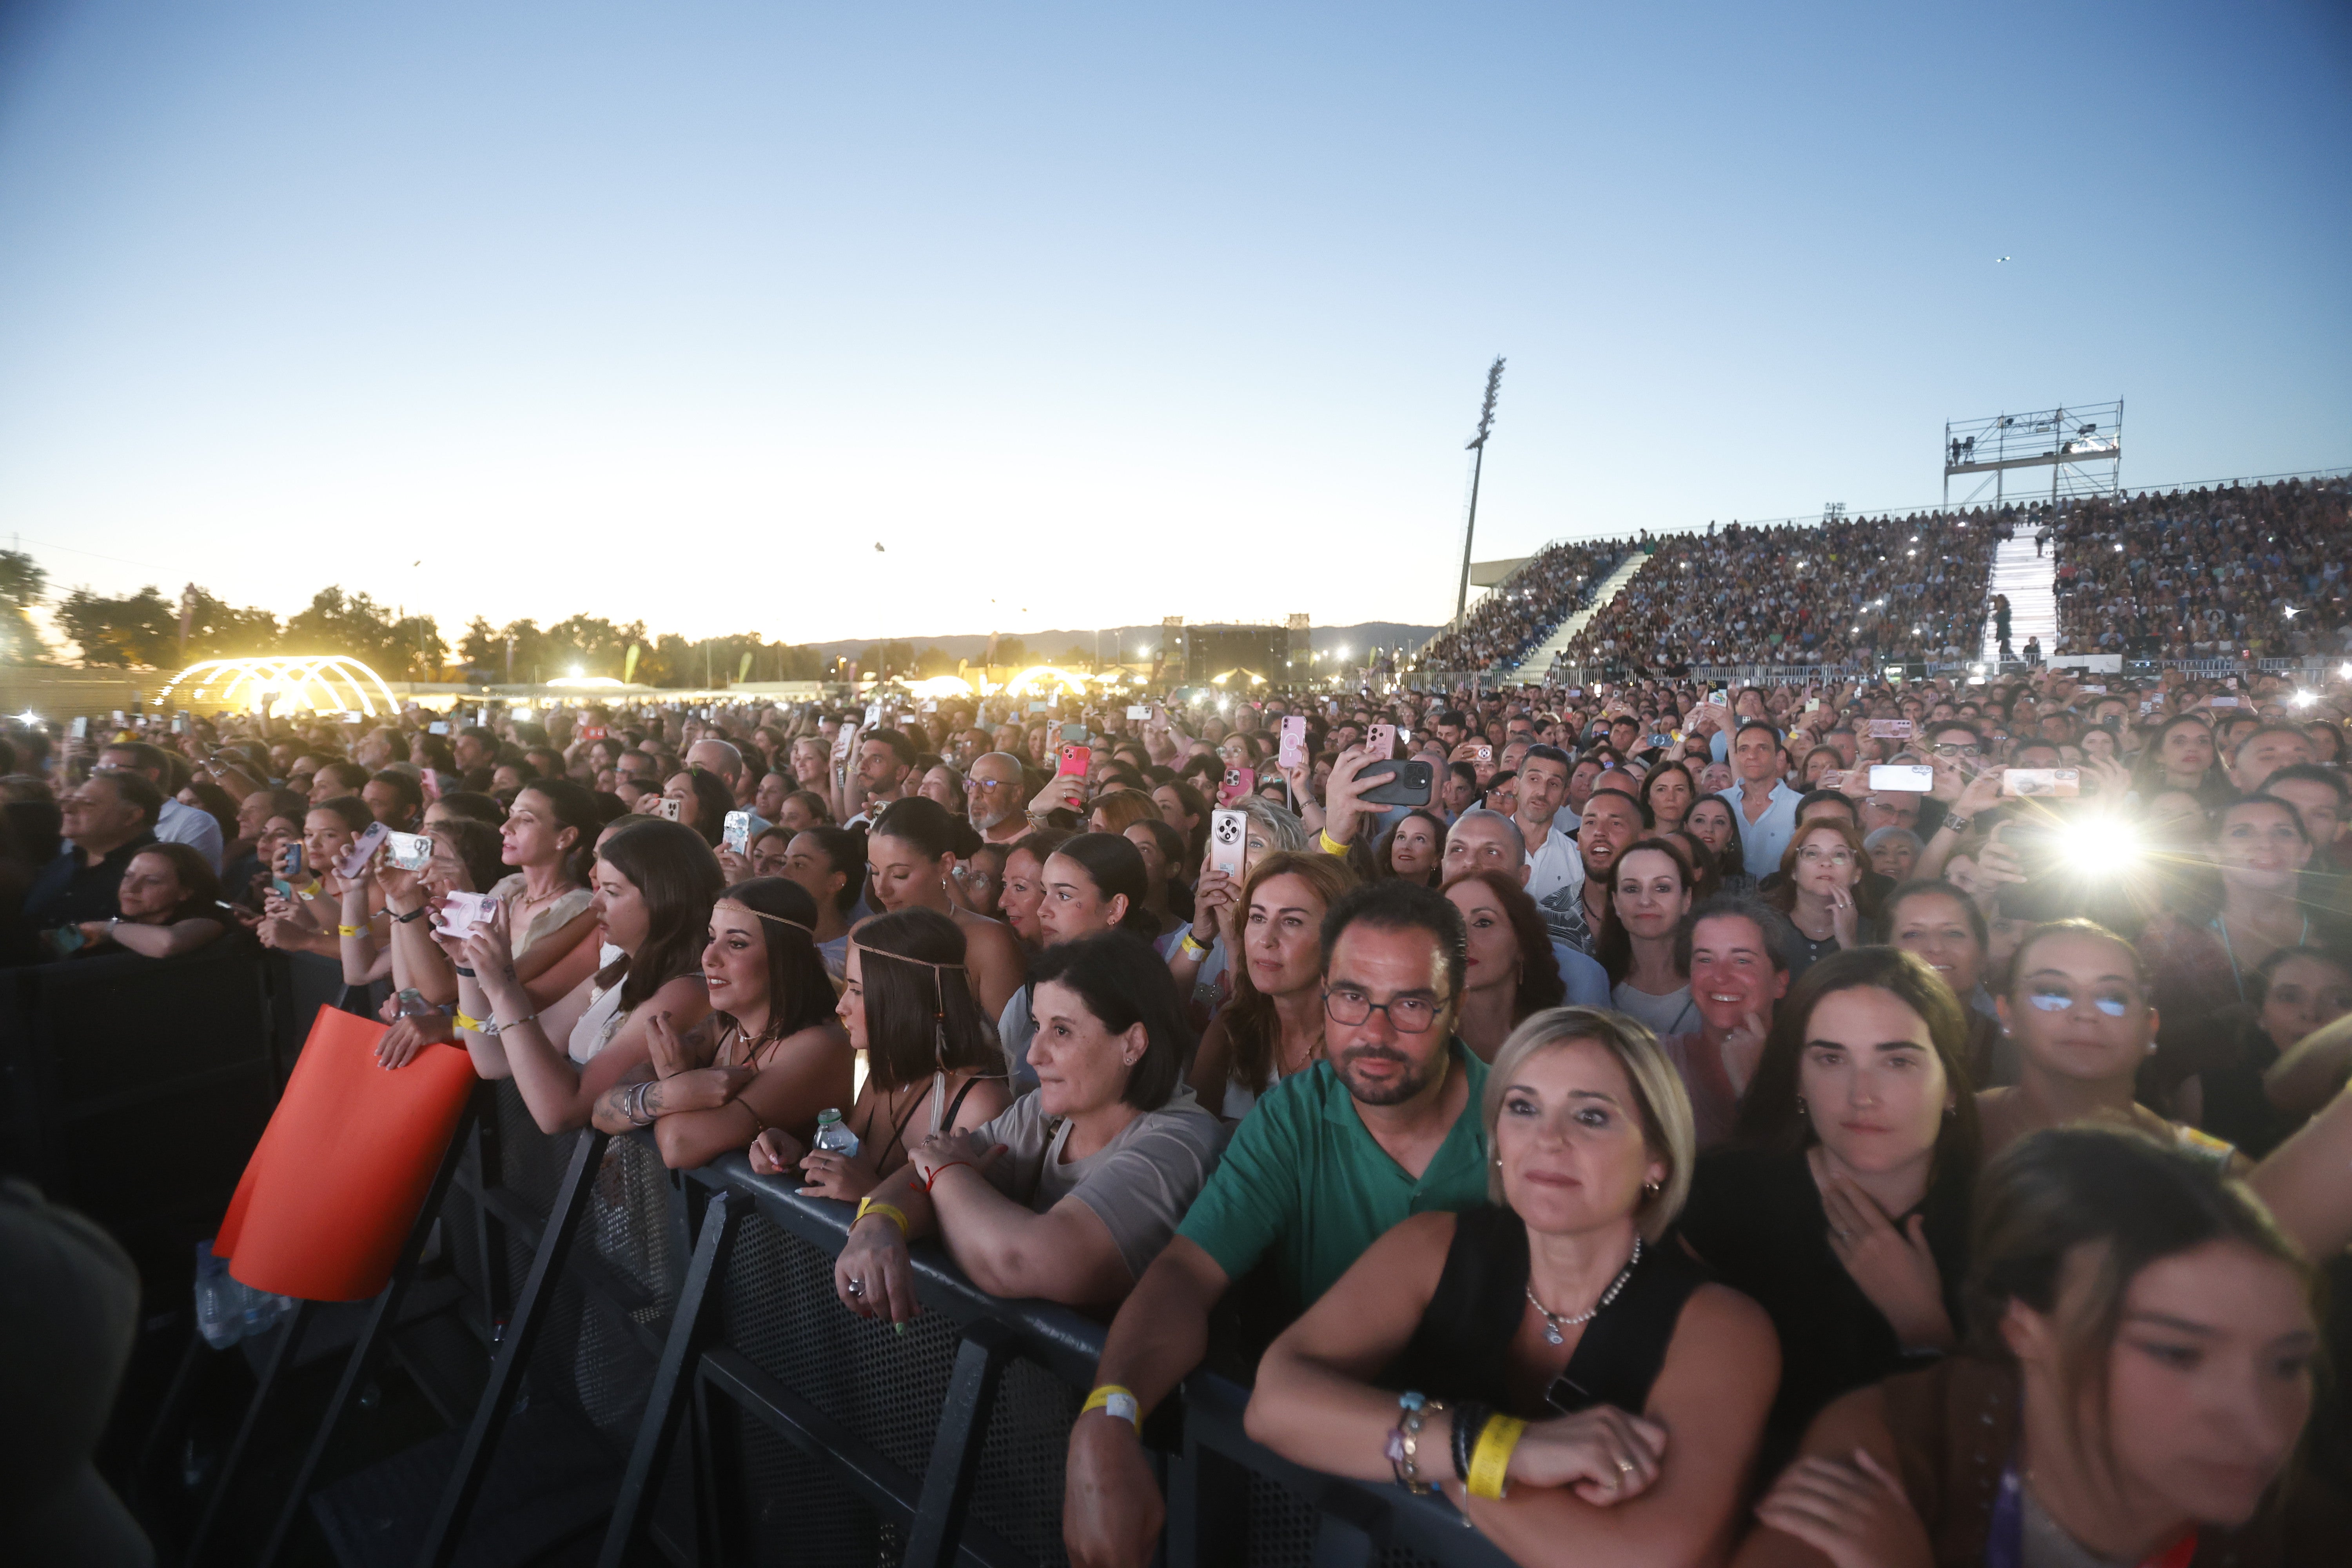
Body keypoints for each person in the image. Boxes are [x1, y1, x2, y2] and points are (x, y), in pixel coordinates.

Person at [1063, 880, 1494, 1568]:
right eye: (1352, 998)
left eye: (1411, 1004)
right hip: (1308, 1482)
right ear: (1326, 993)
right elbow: (1186, 1272)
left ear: (1457, 1005)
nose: (1374, 1032)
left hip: (1478, 1507)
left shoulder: (1523, 1127)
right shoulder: (1295, 1114)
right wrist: (1108, 1416)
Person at [1245, 1007, 1776, 1564]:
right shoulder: (1431, 1246)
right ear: (1496, 1135)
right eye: (1523, 1108)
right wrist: (1496, 1446)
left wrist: (1451, 1462)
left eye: (1591, 1117)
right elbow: (1274, 1404)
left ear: (1658, 1158)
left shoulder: (1721, 1327)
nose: (1547, 1139)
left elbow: (1653, 1556)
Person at [1737, 1126, 2321, 1568]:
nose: (2263, 1428)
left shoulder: (2305, 1528)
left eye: (2288, 1364)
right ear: (2024, 1328)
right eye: (2177, 1353)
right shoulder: (1897, 1446)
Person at [1682, 947, 1978, 1469]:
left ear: (1951, 1084)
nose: (1862, 1095)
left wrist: (1925, 1331)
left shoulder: (2006, 1226)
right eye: (1830, 1058)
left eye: (1898, 1060)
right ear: (1797, 1078)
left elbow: (2007, 1464)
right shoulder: (1719, 1200)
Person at [831, 933, 1225, 1318]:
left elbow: (1021, 1262)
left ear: (1133, 1044)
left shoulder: (1181, 1142)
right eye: (1037, 1026)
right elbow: (917, 1178)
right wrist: (879, 1221)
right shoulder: (1044, 1111)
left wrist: (948, 1174)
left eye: (1061, 1031)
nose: (1034, 1055)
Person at [451, 817, 722, 1133]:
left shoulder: (686, 992)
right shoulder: (617, 973)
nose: (595, 903)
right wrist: (467, 967)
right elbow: (493, 1060)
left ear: (665, 899)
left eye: (612, 892)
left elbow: (560, 1113)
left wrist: (504, 987)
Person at [590, 877, 851, 1170]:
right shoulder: (723, 1027)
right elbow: (601, 1111)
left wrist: (674, 1077)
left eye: (737, 944)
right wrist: (677, 1092)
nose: (709, 957)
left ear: (786, 958)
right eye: (712, 938)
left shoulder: (818, 1046)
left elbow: (679, 1145)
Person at [749, 906, 1011, 1191]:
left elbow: (968, 1227)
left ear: (908, 999)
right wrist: (797, 1159)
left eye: (858, 991)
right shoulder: (887, 1072)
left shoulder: (979, 1103)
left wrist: (870, 1195)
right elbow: (850, 1164)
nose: (841, 1007)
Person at [1979, 918, 2235, 1168]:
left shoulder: (2214, 1168)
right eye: (2053, 993)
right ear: (2007, 1014)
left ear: (2150, 1027)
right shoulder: (1956, 1126)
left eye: (2114, 997)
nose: (2086, 1012)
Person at [1189, 851, 1356, 1118]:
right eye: (1257, 918)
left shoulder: (1361, 1043)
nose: (1266, 940)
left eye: (1292, 921)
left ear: (1339, 938)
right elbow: (1191, 1139)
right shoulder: (1231, 1027)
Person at [2136, 794, 2329, 1024]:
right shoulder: (2169, 937)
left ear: (2306, 852)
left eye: (2283, 832)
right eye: (2242, 832)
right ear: (2213, 852)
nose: (2266, 844)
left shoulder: (2339, 938)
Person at [2152, 945, 2352, 1159]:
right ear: (2260, 1015)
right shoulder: (2207, 1095)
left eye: (2339, 1001)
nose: (2312, 1013)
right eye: (2289, 997)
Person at [1002, 831, 1163, 1088]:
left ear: (1115, 908)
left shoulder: (1145, 998)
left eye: (1064, 896)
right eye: (1045, 892)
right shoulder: (1029, 995)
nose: (1043, 910)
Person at [866, 797, 1024, 1018]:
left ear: (945, 865)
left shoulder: (988, 943)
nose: (881, 890)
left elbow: (1010, 1046)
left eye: (899, 875)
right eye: (874, 872)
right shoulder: (865, 938)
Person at [1880, 879, 2003, 1086]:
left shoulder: (2016, 1051)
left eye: (1954, 933)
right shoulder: (1853, 1041)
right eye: (1913, 934)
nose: (1936, 947)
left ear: (1983, 955)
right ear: (1883, 954)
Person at [1443, 868, 1568, 1060]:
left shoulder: (1558, 1045)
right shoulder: (1419, 1042)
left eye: (1483, 923)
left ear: (1522, 944)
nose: (1462, 938)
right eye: (1450, 923)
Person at [25, 771, 161, 929]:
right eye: (68, 801)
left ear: (131, 816)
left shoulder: (158, 875)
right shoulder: (63, 863)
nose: (67, 809)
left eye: (88, 803)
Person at [1597, 838, 1699, 1039]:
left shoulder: (1713, 981)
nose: (1645, 901)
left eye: (1662, 888)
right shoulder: (1594, 983)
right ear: (1615, 902)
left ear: (1686, 900)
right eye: (1632, 889)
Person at [58, 841, 226, 959]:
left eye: (152, 881)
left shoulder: (208, 918)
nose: (131, 888)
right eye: (128, 876)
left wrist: (108, 929)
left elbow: (168, 943)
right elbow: (55, 947)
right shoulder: (120, 915)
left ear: (185, 892)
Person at [1762, 818, 1871, 981]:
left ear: (1857, 874)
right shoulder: (1762, 927)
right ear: (1794, 870)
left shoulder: (1877, 932)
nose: (1826, 863)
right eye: (1812, 854)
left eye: (1839, 855)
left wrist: (1849, 943)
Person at [775, 825, 861, 978]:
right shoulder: (775, 935)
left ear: (835, 882)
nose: (781, 874)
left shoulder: (853, 955)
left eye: (799, 865)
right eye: (783, 863)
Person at [1726, 721, 1802, 881]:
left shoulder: (1800, 807)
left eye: (1763, 748)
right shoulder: (1720, 803)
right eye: (1744, 749)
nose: (1752, 756)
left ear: (1780, 756)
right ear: (1736, 757)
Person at [1685, 794, 1757, 898]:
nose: (1709, 829)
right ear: (1686, 828)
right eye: (1700, 820)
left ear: (1730, 834)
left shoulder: (1746, 887)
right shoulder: (1670, 874)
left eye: (1719, 822)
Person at [965, 751, 1036, 846]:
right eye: (972, 784)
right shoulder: (967, 843)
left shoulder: (1038, 841)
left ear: (1016, 794)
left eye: (988, 784)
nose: (975, 794)